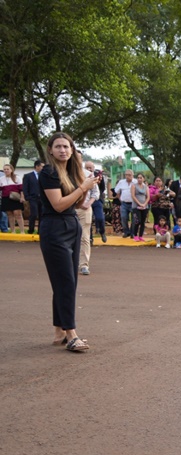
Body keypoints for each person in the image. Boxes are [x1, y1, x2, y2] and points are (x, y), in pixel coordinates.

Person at [38, 132, 98, 352]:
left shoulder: (72, 171)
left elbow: (79, 204)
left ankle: (59, 330)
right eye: (58, 146)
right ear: (50, 150)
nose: (63, 150)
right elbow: (59, 205)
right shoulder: (48, 172)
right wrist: (83, 187)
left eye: (66, 146)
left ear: (72, 150)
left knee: (67, 280)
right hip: (54, 228)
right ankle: (71, 333)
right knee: (65, 281)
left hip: (72, 225)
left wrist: (86, 185)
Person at [76, 156, 100, 275]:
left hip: (84, 209)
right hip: (69, 209)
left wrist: (88, 203)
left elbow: (95, 192)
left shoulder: (89, 174)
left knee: (84, 237)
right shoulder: (64, 174)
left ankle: (84, 265)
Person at [85, 162, 106, 244]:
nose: (89, 169)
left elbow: (103, 188)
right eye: (87, 167)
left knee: (100, 218)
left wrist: (96, 195)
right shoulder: (81, 175)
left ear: (93, 168)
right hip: (86, 201)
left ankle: (102, 232)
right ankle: (90, 239)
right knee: (88, 220)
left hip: (97, 200)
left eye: (90, 167)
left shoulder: (99, 176)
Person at [1, 164, 25, 233]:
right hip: (5, 198)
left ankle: (22, 231)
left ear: (11, 170)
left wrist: (22, 197)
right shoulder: (1, 179)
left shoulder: (17, 177)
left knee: (18, 214)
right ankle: (13, 231)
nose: (6, 170)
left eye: (7, 169)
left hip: (15, 198)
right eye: (4, 169)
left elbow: (21, 189)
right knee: (9, 214)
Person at [23, 160, 43, 234]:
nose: (43, 168)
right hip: (33, 198)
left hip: (42, 198)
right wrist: (27, 197)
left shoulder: (43, 176)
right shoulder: (28, 176)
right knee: (34, 214)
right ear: (37, 166)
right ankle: (31, 229)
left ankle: (40, 231)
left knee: (42, 214)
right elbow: (25, 187)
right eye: (42, 166)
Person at [114, 169, 135, 237]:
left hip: (133, 203)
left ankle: (132, 232)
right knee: (123, 217)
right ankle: (126, 232)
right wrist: (120, 199)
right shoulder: (121, 182)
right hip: (124, 203)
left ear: (132, 175)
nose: (128, 176)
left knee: (134, 219)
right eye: (126, 175)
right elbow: (117, 191)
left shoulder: (136, 182)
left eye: (129, 175)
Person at [130, 173, 150, 241]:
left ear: (143, 179)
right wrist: (139, 204)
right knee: (137, 221)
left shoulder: (146, 187)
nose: (139, 179)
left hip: (144, 206)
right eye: (138, 178)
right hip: (136, 206)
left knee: (143, 222)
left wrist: (144, 204)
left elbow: (148, 197)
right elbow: (133, 196)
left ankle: (141, 236)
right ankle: (135, 235)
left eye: (141, 178)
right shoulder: (134, 186)